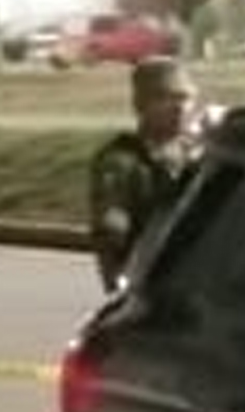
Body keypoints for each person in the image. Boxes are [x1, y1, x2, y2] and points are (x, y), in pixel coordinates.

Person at [87, 57, 208, 291]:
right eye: (165, 98)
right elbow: (111, 233)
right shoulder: (122, 161)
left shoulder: (204, 153)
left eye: (185, 98)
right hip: (153, 285)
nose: (179, 108)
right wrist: (120, 285)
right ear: (140, 105)